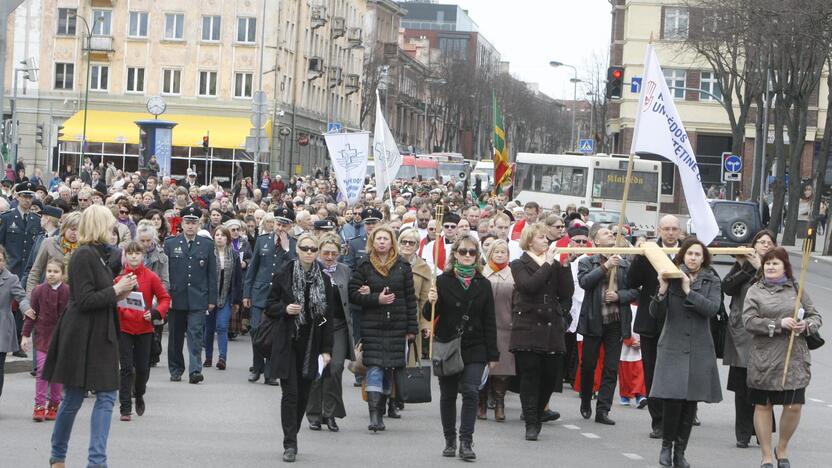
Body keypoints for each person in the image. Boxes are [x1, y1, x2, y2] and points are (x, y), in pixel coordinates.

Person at [43, 205, 139, 468]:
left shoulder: (98, 255)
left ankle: (96, 462)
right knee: (73, 398)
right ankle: (58, 455)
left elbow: (100, 294)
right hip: (81, 334)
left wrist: (121, 291)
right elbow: (84, 299)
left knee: (107, 397)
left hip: (101, 332)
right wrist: (116, 289)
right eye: (109, 225)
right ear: (98, 226)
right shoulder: (83, 255)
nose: (113, 230)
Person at [743, 247, 822, 468]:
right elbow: (748, 321)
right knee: (763, 405)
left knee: (794, 406)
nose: (770, 266)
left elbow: (816, 316)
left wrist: (806, 325)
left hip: (794, 358)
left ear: (785, 266)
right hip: (764, 358)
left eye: (775, 263)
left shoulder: (797, 288)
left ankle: (782, 447)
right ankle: (767, 455)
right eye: (767, 263)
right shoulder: (755, 291)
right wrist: (778, 324)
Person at [650, 238, 723, 468]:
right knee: (672, 399)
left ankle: (680, 452)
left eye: (697, 254)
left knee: (690, 403)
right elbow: (655, 313)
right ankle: (666, 446)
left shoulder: (712, 280)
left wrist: (689, 291)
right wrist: (662, 289)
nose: (693, 258)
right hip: (672, 345)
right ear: (682, 256)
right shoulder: (671, 275)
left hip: (699, 347)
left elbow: (712, 308)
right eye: (689, 253)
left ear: (704, 258)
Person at [426, 236, 498, 460]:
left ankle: (466, 441)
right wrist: (430, 301)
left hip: (475, 346)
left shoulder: (483, 283)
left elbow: (489, 320)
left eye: (472, 252)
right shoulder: (442, 281)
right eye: (463, 251)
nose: (468, 256)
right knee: (448, 394)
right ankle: (450, 439)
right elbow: (428, 316)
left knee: (470, 391)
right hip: (448, 344)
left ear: (477, 256)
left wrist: (493, 353)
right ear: (455, 254)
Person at [265, 233, 334, 462]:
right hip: (288, 340)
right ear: (297, 250)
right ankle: (290, 443)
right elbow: (269, 306)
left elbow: (326, 318)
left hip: (311, 343)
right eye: (304, 248)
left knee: (304, 394)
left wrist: (326, 349)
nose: (308, 252)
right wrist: (285, 309)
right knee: (291, 393)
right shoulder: (284, 273)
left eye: (313, 249)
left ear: (317, 252)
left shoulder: (323, 280)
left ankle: (292, 431)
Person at [349, 225, 418, 433]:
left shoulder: (403, 266)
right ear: (373, 241)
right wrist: (375, 298)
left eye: (385, 239)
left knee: (390, 369)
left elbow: (409, 299)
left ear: (391, 242)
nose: (381, 242)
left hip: (397, 325)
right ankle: (375, 415)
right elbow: (353, 294)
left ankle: (385, 405)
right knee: (375, 368)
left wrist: (411, 328)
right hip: (373, 325)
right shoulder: (364, 265)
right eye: (378, 238)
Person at [509, 222, 574, 441]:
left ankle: (538, 414)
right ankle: (531, 421)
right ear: (529, 241)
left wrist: (564, 267)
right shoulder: (519, 264)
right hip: (527, 325)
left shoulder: (553, 264)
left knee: (549, 376)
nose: (546, 241)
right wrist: (547, 264)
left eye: (547, 238)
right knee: (530, 376)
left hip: (551, 326)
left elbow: (566, 292)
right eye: (541, 238)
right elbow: (528, 286)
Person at [576, 226, 639, 425]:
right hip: (594, 321)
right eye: (605, 233)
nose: (610, 235)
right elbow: (585, 282)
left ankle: (603, 409)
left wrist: (620, 296)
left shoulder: (625, 264)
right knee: (588, 365)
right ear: (595, 241)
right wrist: (605, 267)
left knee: (611, 369)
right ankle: (586, 399)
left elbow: (636, 291)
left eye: (611, 233)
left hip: (616, 322)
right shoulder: (587, 261)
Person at [628, 214, 682, 439]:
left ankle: (678, 417)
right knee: (652, 372)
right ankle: (657, 421)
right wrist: (640, 257)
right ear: (659, 230)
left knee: (677, 373)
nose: (670, 233)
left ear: (679, 231)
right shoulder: (648, 251)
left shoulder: (689, 251)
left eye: (674, 229)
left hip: (679, 321)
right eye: (666, 229)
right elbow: (631, 282)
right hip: (651, 320)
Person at [722, 229, 777, 448]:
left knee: (763, 384)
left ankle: (761, 429)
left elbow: (779, 291)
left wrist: (760, 269)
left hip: (766, 333)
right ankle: (742, 432)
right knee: (742, 385)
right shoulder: (742, 264)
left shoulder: (776, 267)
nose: (764, 245)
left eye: (768, 242)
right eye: (760, 242)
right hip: (742, 334)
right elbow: (727, 287)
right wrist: (746, 267)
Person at [116, 241, 171, 421]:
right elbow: (113, 300)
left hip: (145, 328)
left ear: (142, 256)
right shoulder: (119, 279)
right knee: (125, 368)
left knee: (141, 368)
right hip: (124, 328)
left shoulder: (151, 276)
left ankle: (139, 394)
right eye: (130, 253)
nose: (133, 256)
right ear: (125, 255)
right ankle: (125, 407)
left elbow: (164, 298)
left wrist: (155, 312)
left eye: (137, 253)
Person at [306, 233, 355, 432]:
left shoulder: (345, 271)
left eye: (333, 253)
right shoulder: (311, 269)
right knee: (318, 368)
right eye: (325, 252)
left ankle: (330, 413)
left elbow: (352, 296)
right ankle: (314, 414)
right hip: (317, 324)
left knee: (335, 369)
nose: (329, 257)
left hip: (338, 325)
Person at [164, 205, 217, 384]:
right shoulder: (171, 243)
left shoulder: (207, 245)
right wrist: (166, 297)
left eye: (194, 223)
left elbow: (212, 274)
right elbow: (165, 274)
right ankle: (176, 369)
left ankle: (195, 370)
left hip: (198, 298)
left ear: (199, 224)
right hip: (176, 297)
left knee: (195, 335)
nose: (191, 226)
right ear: (182, 223)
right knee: (175, 336)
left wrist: (212, 299)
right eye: (188, 222)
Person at [244, 206, 296, 385]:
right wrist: (247, 294)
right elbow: (253, 269)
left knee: (275, 335)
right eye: (279, 224)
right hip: (260, 294)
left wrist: (288, 249)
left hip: (280, 298)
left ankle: (270, 372)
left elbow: (295, 269)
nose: (281, 228)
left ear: (291, 227)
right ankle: (256, 368)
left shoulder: (294, 244)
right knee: (256, 332)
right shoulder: (263, 240)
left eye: (285, 225)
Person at [22, 259, 69, 421]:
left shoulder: (68, 291)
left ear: (62, 274)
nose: (51, 274)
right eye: (49, 271)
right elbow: (31, 315)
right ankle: (39, 405)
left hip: (61, 338)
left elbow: (72, 317)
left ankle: (54, 404)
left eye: (55, 272)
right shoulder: (38, 291)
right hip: (42, 337)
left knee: (57, 374)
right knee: (41, 371)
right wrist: (25, 335)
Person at [391, 227, 431, 414]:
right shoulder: (390, 261)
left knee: (407, 359)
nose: (407, 245)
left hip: (411, 315)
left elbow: (424, 300)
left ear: (417, 245)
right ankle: (388, 396)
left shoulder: (423, 268)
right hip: (390, 313)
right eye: (404, 242)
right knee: (389, 357)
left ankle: (400, 394)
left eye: (411, 242)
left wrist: (425, 323)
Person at [482, 239, 515, 421]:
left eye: (503, 252)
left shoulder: (513, 275)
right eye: (497, 252)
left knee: (502, 367)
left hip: (506, 326)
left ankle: (500, 402)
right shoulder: (482, 273)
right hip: (483, 326)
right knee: (482, 365)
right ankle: (482, 401)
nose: (500, 255)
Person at [204, 226, 242, 370]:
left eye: (223, 235)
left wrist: (237, 300)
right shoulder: (209, 254)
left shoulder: (234, 255)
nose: (219, 237)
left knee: (221, 326)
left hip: (226, 296)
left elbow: (238, 279)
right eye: (217, 235)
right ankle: (208, 357)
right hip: (209, 297)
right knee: (208, 328)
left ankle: (222, 358)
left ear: (228, 238)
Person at [0, 244, 35, 404]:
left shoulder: (11, 278)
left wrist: (27, 309)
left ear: (5, 261)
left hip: (2, 326)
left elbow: (21, 298)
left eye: (0, 260)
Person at [25, 211, 82, 294]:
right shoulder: (49, 243)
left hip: (73, 298)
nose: (75, 233)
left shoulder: (84, 248)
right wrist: (31, 298)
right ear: (65, 227)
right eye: (72, 229)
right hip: (49, 295)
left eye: (79, 230)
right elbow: (35, 271)